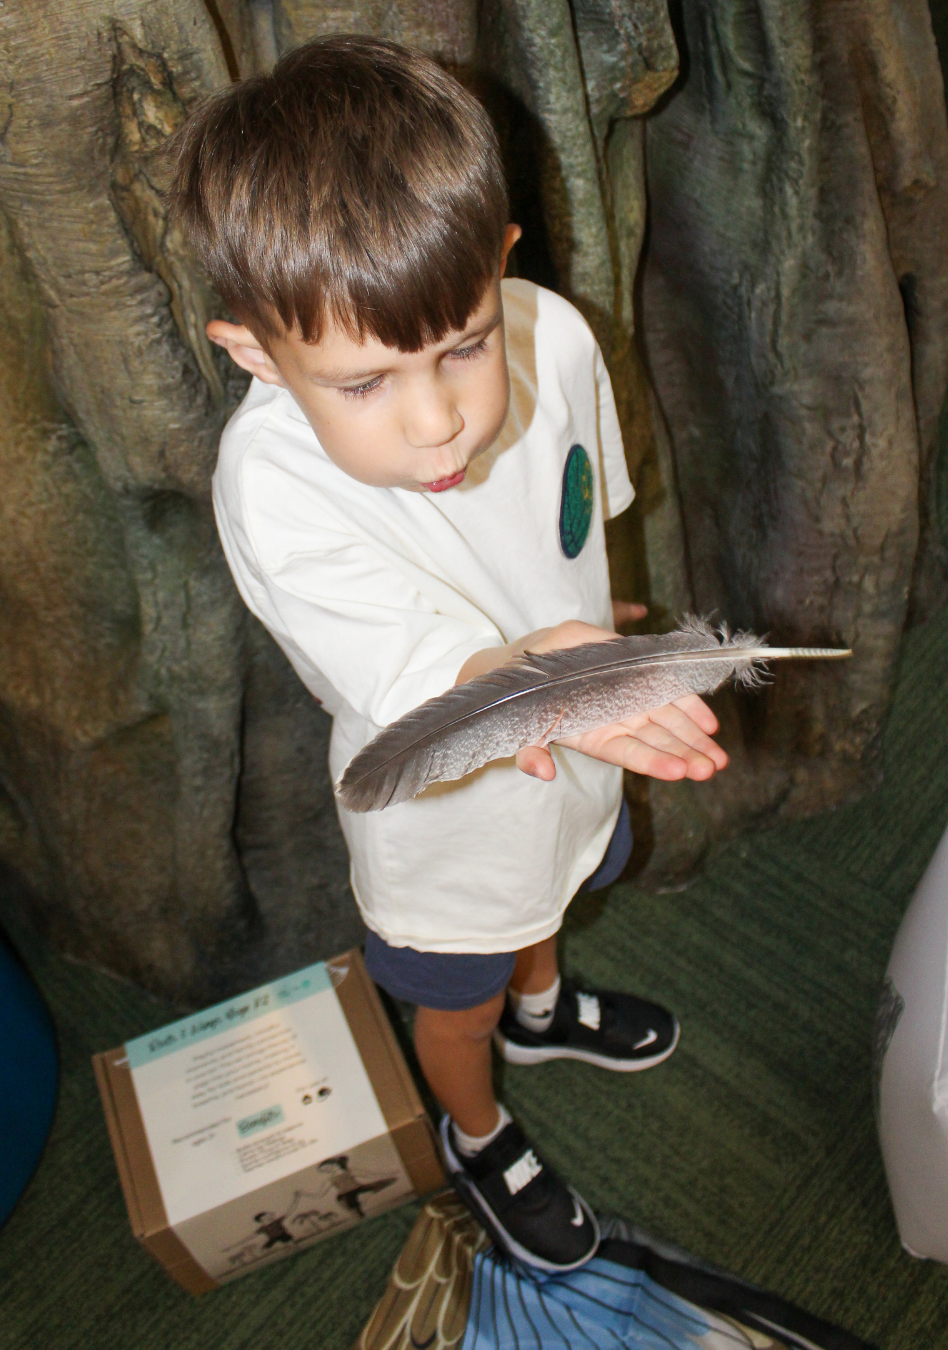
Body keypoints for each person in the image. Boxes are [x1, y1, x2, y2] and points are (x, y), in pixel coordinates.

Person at [168, 35, 727, 1273]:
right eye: (365, 382)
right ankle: (478, 1129)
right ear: (256, 350)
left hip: (575, 746)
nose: (440, 421)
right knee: (454, 995)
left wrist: (591, 629)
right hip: (448, 815)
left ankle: (546, 1009)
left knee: (566, 883)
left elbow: (575, 528)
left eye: (463, 344)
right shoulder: (271, 486)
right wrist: (540, 684)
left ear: (501, 267)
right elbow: (426, 671)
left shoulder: (554, 339)